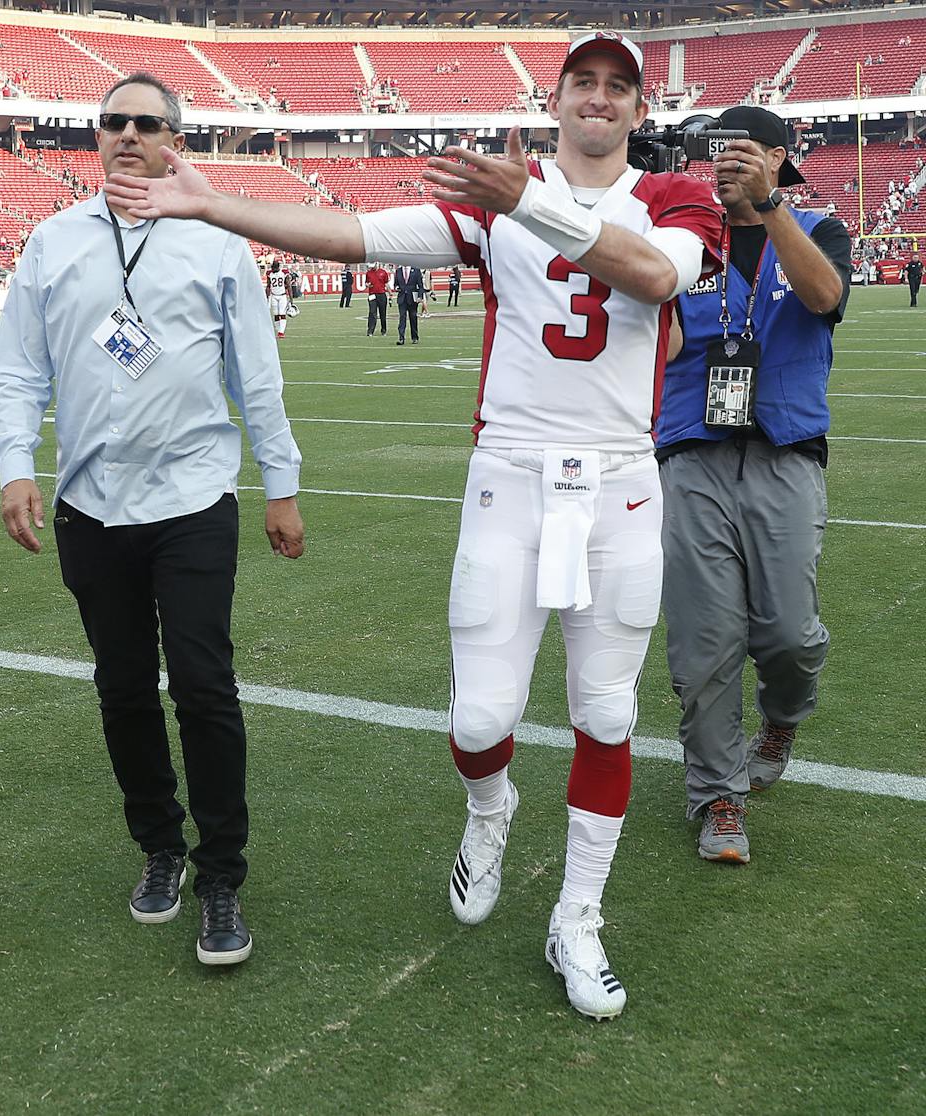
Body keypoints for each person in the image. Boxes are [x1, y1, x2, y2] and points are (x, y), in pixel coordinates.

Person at [104, 31, 722, 1020]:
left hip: (618, 483)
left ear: (637, 112)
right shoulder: (491, 215)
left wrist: (522, 197)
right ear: (554, 102)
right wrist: (213, 204)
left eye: (618, 88)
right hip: (508, 476)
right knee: (479, 720)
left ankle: (576, 915)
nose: (599, 99)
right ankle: (488, 808)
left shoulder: (671, 197)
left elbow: (652, 276)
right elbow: (357, 237)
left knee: (604, 713)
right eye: (583, 84)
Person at [0, 72, 304, 969]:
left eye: (147, 123)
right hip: (90, 504)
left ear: (176, 141)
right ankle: (159, 847)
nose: (128, 134)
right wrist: (15, 469)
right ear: (97, 136)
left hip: (194, 497)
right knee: (123, 688)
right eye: (113, 122)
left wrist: (280, 483)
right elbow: (19, 374)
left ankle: (222, 875)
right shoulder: (51, 245)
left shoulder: (217, 242)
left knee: (204, 683)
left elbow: (256, 377)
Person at [657, 105, 849, 864]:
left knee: (791, 636)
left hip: (785, 451)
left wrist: (769, 206)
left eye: (741, 152)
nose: (725, 165)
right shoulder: (680, 241)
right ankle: (717, 798)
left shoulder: (816, 227)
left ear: (776, 156)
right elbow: (661, 341)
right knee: (703, 644)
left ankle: (783, 715)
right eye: (717, 153)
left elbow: (825, 298)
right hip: (691, 452)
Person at [394, 263, 425, 345]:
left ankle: (415, 337)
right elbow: (396, 283)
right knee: (402, 318)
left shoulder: (416, 270)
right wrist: (396, 287)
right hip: (402, 298)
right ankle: (401, 338)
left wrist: (420, 296)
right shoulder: (398, 271)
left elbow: (420, 285)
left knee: (413, 318)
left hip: (412, 298)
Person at [266, 257, 292, 339]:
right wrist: (267, 297)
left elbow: (289, 286)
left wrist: (291, 299)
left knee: (282, 313)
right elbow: (268, 286)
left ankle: (281, 332)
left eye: (275, 268)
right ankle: (278, 331)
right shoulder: (270, 274)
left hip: (282, 296)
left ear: (278, 267)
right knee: (276, 314)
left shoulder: (284, 273)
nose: (273, 269)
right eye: (272, 268)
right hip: (273, 296)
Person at [365, 260, 389, 335]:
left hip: (381, 294)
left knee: (383, 313)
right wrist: (367, 285)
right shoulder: (368, 273)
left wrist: (390, 292)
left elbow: (386, 283)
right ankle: (370, 331)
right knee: (372, 313)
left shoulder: (383, 272)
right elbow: (366, 283)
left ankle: (383, 330)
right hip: (372, 294)